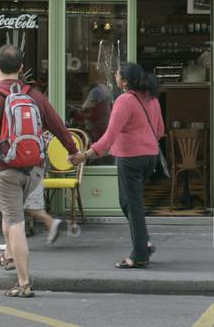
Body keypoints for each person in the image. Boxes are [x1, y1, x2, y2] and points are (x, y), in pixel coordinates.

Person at [0, 44, 78, 298]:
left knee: (15, 222)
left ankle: (23, 283)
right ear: (22, 68)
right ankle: (9, 255)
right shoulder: (35, 95)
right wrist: (72, 151)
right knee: (11, 211)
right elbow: (57, 125)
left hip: (5, 169)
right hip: (34, 170)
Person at [70, 63, 163, 268]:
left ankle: (140, 255)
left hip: (130, 158)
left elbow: (109, 137)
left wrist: (84, 156)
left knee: (133, 204)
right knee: (128, 201)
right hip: (150, 156)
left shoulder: (124, 100)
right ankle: (143, 242)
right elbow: (160, 130)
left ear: (125, 81)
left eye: (117, 74)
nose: (115, 76)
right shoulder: (152, 98)